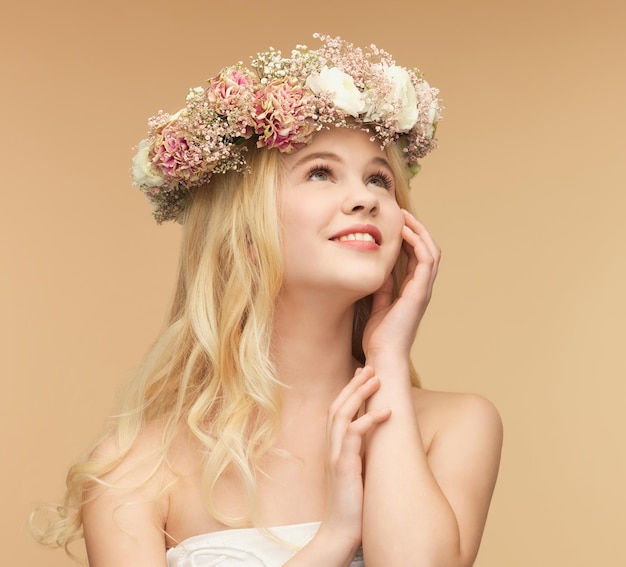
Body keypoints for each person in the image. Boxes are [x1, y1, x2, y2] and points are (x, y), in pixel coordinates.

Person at [33, 34, 503, 567]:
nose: (366, 198)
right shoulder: (132, 467)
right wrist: (336, 536)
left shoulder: (456, 425)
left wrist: (387, 359)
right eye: (320, 172)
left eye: (380, 179)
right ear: (246, 230)